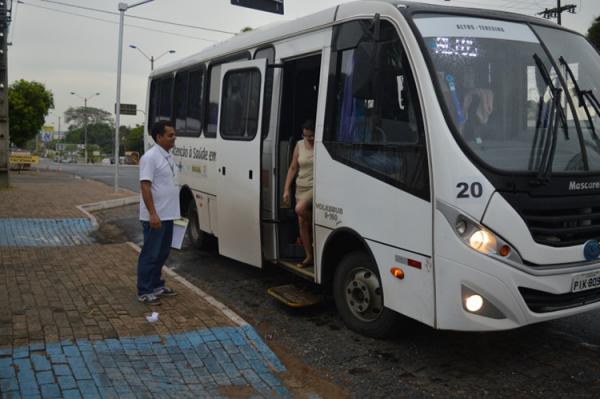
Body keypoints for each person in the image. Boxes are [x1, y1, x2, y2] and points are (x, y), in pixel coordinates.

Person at [137, 120, 180, 305]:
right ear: (159, 137)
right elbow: (145, 186)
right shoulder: (150, 157)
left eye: (174, 134)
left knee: (162, 253)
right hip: (156, 216)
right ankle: (144, 290)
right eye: (170, 135)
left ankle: (156, 285)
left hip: (168, 214)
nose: (174, 138)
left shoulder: (168, 156)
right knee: (151, 254)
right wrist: (153, 214)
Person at [283, 120, 315, 268]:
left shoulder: (320, 145)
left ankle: (317, 224)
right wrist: (286, 189)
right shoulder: (299, 145)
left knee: (299, 209)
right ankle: (309, 256)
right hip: (300, 187)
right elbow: (293, 167)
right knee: (302, 223)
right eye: (305, 135)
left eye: (311, 136)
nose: (308, 138)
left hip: (314, 187)